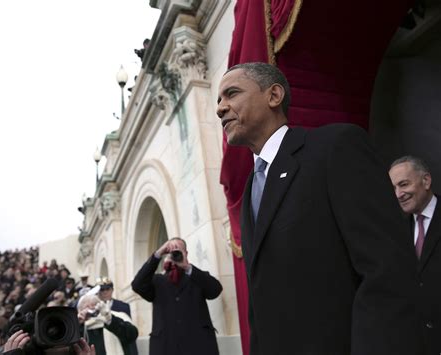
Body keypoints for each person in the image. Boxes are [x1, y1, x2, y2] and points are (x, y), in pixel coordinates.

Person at [216, 62, 421, 355]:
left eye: (231, 94)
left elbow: (386, 271)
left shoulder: (335, 147)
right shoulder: (252, 186)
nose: (221, 108)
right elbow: (262, 303)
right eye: (219, 100)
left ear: (274, 95)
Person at [131, 238, 222, 355]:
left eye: (178, 250)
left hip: (199, 346)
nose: (174, 254)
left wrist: (187, 267)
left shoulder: (196, 276)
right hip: (166, 346)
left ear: (186, 253)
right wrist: (158, 254)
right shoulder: (157, 281)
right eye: (170, 252)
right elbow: (137, 285)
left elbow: (215, 290)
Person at [389, 155, 441, 354]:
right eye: (393, 188)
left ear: (426, 181)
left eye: (403, 184)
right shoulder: (397, 229)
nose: (398, 194)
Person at [96, 278, 138, 355]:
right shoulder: (95, 308)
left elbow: (129, 329)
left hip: (121, 345)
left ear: (112, 290)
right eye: (102, 290)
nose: (105, 292)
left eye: (107, 289)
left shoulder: (123, 306)